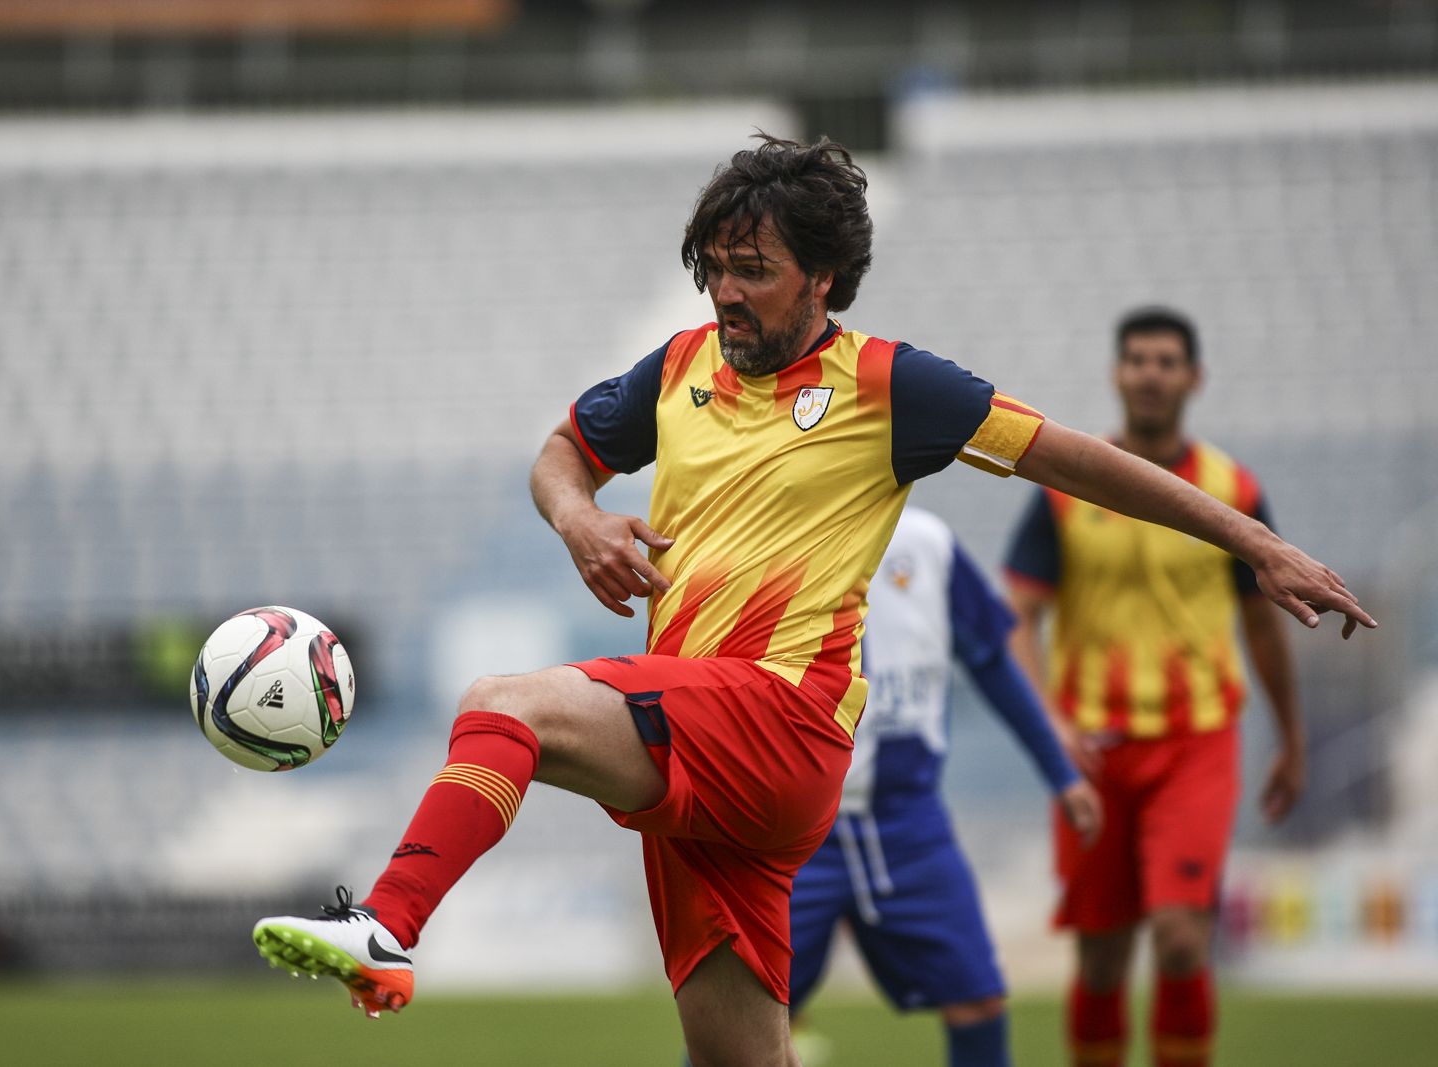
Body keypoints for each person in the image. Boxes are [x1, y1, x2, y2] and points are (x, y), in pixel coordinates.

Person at [248, 138, 1372, 1067]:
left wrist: (1253, 539)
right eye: (715, 266)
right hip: (711, 757)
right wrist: (580, 519)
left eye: (754, 268)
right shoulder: (680, 364)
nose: (727, 291)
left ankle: (385, 924)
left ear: (824, 278)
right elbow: (559, 451)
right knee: (742, 1059)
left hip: (781, 716)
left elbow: (1072, 460)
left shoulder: (889, 386)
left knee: (504, 703)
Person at [1003, 307, 1306, 1067]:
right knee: (1102, 961)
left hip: (1194, 741)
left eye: (1166, 361)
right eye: (1136, 359)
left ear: (1193, 378)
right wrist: (1049, 722)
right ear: (1116, 373)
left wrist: (1292, 738)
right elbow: (1018, 616)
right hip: (1093, 748)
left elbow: (1263, 626)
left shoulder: (1231, 488)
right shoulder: (1068, 487)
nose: (1149, 373)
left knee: (1178, 940)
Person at [782, 508, 1101, 1067]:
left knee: (977, 1001)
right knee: (740, 1018)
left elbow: (992, 661)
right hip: (791, 831)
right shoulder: (773, 533)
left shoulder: (929, 542)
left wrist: (1060, 771)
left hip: (909, 823)